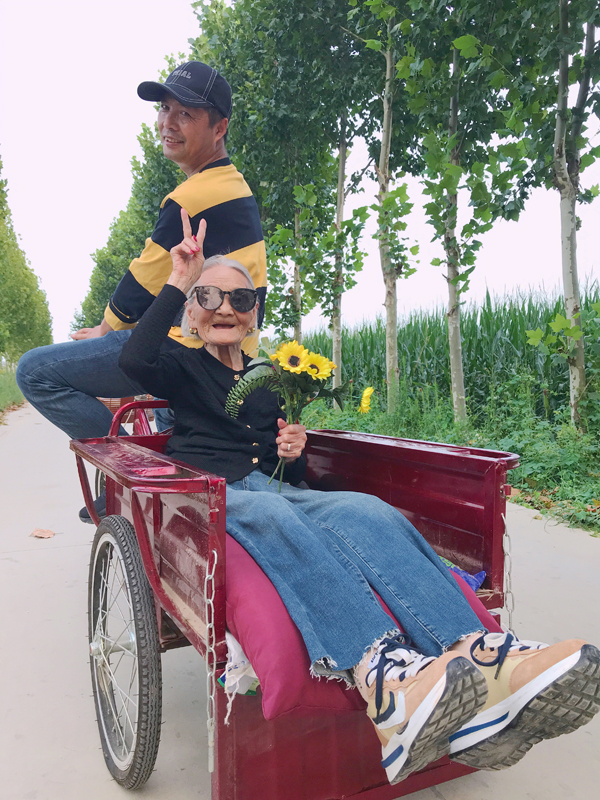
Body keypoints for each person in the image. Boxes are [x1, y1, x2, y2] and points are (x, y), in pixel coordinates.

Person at [118, 211, 600, 785]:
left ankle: (482, 654)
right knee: (269, 512)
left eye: (240, 298)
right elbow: (133, 361)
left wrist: (293, 451)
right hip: (213, 495)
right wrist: (179, 277)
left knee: (366, 509)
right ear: (192, 313)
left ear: (254, 313)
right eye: (209, 296)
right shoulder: (180, 364)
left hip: (276, 488)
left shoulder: (272, 377)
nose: (225, 307)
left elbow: (288, 475)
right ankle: (384, 675)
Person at [15, 61, 267, 522]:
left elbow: (144, 279)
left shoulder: (194, 196)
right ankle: (157, 476)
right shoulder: (233, 187)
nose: (168, 123)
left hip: (190, 346)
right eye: (165, 109)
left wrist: (105, 328)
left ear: (219, 128)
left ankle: (131, 473)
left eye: (185, 114)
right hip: (229, 347)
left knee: (35, 373)